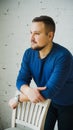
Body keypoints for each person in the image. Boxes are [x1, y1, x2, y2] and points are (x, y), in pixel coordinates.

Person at [9, 15, 73, 130]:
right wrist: (28, 90)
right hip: (47, 103)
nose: (31, 38)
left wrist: (18, 98)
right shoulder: (28, 54)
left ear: (50, 36)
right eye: (30, 33)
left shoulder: (63, 56)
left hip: (68, 104)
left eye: (37, 34)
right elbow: (21, 80)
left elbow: (49, 92)